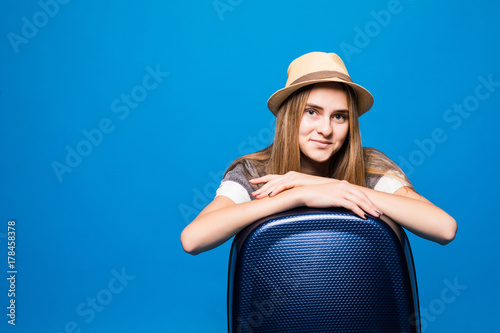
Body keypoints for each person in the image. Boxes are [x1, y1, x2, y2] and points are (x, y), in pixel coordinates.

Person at [181, 52, 457, 255]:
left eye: (339, 117)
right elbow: (193, 239)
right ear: (289, 116)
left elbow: (444, 228)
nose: (325, 129)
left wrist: (334, 186)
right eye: (311, 112)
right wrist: (297, 194)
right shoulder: (254, 171)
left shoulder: (369, 165)